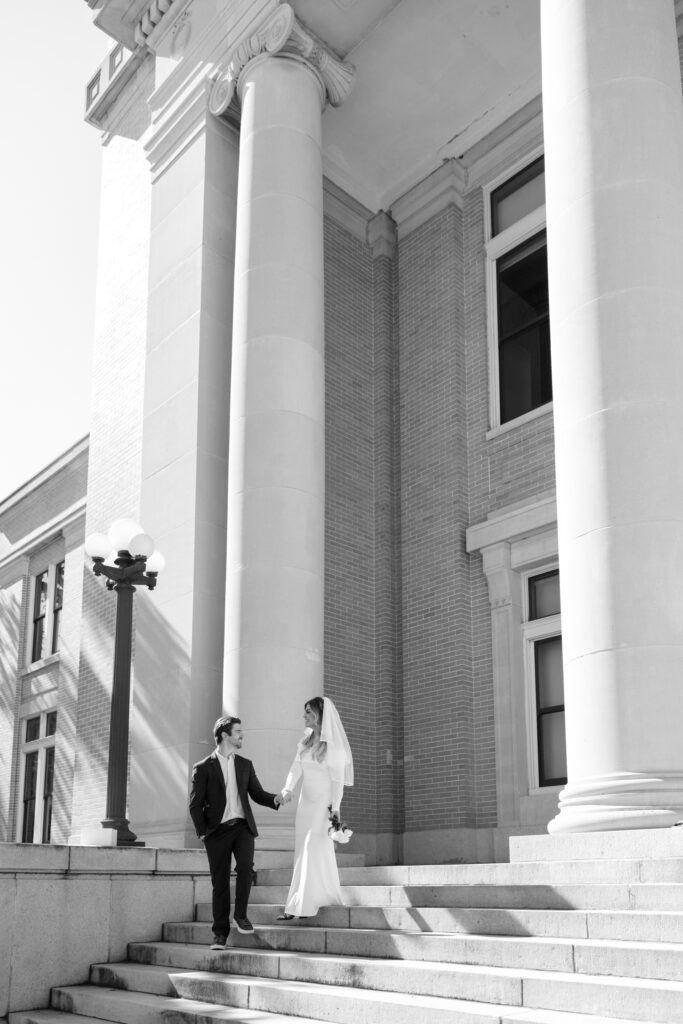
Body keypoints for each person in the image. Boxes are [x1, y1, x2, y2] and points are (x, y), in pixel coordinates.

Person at [189, 715, 282, 949]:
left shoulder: (244, 765)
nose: (242, 735)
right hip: (217, 832)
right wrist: (204, 834)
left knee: (245, 869)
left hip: (242, 827)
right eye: (238, 731)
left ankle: (240, 915)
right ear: (224, 735)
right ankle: (220, 934)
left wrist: (276, 799)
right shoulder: (203, 768)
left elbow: (257, 794)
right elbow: (194, 805)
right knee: (219, 883)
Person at [277, 695, 354, 920]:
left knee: (312, 846)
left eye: (309, 713)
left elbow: (337, 782)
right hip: (305, 803)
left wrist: (336, 809)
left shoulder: (335, 748)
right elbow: (296, 767)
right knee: (305, 850)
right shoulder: (306, 740)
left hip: (323, 803)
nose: (305, 716)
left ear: (320, 716)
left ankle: (302, 905)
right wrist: (287, 789)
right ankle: (306, 899)